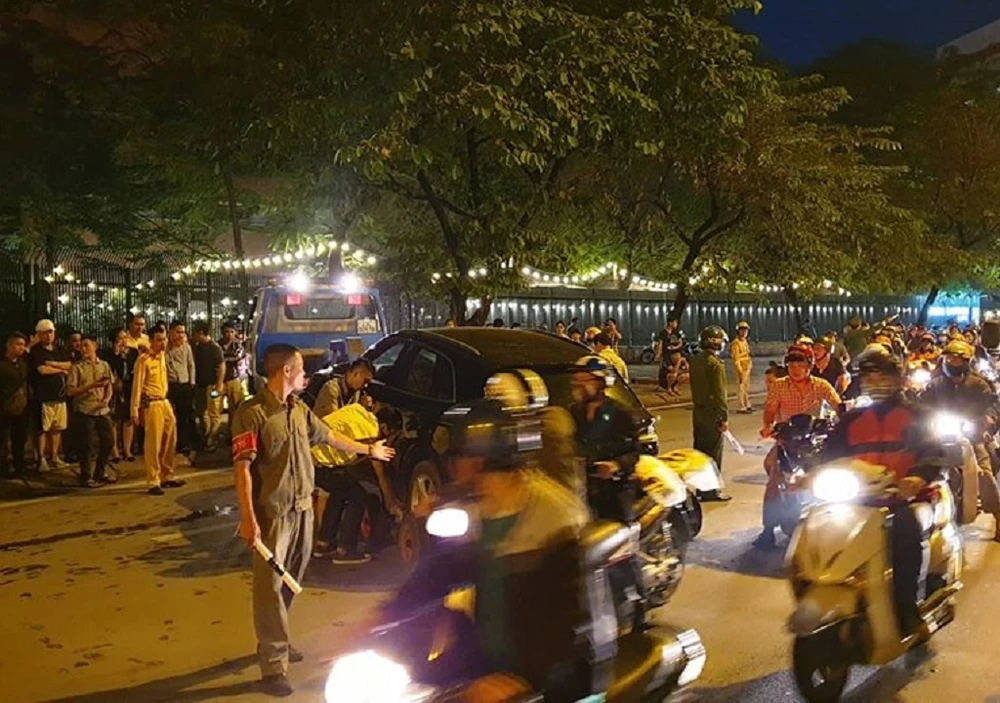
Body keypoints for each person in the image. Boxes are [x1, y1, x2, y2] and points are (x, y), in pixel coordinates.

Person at [382, 398, 593, 702]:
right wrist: (382, 618)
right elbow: (438, 574)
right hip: (486, 667)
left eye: (456, 459)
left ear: (477, 462)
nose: (452, 468)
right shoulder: (482, 508)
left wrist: (521, 680)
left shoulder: (555, 519)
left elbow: (564, 626)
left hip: (548, 682)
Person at [232, 343, 395, 697]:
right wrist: (248, 518)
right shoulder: (252, 413)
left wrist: (369, 449)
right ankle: (274, 665)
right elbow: (242, 468)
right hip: (273, 514)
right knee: (269, 589)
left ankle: (277, 639)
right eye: (301, 369)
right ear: (286, 371)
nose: (306, 375)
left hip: (303, 509)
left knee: (290, 582)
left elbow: (330, 436)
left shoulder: (299, 410)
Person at [820, 346, 944, 633]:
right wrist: (808, 475)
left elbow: (932, 452)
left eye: (882, 377)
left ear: (897, 379)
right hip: (857, 498)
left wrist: (916, 478)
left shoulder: (918, 415)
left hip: (903, 498)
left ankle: (906, 608)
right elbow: (828, 456)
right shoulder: (851, 420)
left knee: (905, 531)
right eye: (869, 378)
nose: (875, 383)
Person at [755, 344, 841, 548]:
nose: (795, 369)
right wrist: (768, 425)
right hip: (787, 443)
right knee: (774, 481)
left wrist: (847, 421)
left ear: (809, 365)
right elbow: (770, 409)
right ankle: (768, 530)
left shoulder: (821, 385)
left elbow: (838, 405)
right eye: (791, 364)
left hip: (816, 443)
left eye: (800, 364)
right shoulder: (779, 386)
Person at [922, 339, 1000, 540]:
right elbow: (922, 406)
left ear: (966, 361)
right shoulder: (936, 384)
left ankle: (998, 515)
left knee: (984, 472)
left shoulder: (979, 384)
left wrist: (988, 420)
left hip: (972, 436)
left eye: (957, 359)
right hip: (940, 438)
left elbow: (992, 405)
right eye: (949, 359)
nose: (952, 362)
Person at [312, 403, 404, 564]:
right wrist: (391, 501)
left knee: (340, 490)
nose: (389, 441)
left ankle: (324, 543)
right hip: (317, 461)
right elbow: (380, 472)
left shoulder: (358, 410)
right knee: (357, 494)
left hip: (307, 455)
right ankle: (345, 550)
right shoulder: (372, 433)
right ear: (384, 427)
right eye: (391, 435)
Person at [131, 326, 183, 495]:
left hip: (164, 401)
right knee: (153, 444)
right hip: (151, 403)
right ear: (151, 341)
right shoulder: (143, 360)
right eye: (159, 340)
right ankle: (153, 480)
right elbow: (137, 386)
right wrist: (135, 409)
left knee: (170, 440)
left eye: (164, 339)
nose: (163, 343)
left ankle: (167, 475)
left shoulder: (161, 357)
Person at [688, 326, 732, 502]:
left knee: (701, 452)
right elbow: (720, 394)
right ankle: (711, 491)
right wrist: (724, 417)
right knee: (713, 453)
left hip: (698, 411)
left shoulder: (695, 361)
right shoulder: (715, 364)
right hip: (713, 413)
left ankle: (700, 489)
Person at [67, 336, 115, 487]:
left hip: (102, 409)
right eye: (81, 346)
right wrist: (91, 386)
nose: (83, 349)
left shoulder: (104, 365)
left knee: (108, 441)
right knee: (86, 444)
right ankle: (86, 475)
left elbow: (109, 386)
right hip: (84, 409)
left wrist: (106, 399)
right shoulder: (77, 367)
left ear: (95, 346)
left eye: (86, 346)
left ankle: (100, 472)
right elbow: (71, 391)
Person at [28, 319, 72, 472]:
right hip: (43, 396)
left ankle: (54, 455)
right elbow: (42, 370)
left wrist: (53, 364)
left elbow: (70, 364)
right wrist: (61, 369)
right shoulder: (36, 352)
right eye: (45, 332)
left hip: (59, 396)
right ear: (39, 334)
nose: (49, 335)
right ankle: (41, 458)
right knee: (42, 429)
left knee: (57, 428)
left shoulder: (59, 349)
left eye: (51, 332)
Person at [102, 329, 138, 463]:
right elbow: (109, 370)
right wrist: (117, 354)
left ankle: (127, 450)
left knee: (128, 419)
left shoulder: (133, 352)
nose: (123, 341)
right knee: (114, 420)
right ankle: (115, 451)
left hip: (128, 386)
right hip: (114, 388)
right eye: (120, 338)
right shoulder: (108, 354)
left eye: (125, 338)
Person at [0, 332, 30, 478]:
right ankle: (3, 467)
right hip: (4, 408)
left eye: (23, 345)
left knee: (20, 439)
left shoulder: (22, 364)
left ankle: (20, 465)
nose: (21, 348)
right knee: (3, 440)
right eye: (18, 344)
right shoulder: (2, 365)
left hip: (21, 408)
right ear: (8, 345)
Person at [192, 322, 225, 451]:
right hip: (201, 386)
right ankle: (205, 437)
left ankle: (212, 439)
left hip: (212, 386)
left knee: (213, 413)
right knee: (202, 413)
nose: (194, 336)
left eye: (195, 334)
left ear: (201, 333)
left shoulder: (214, 348)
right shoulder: (198, 347)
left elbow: (221, 366)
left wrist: (219, 385)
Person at [165, 321, 196, 456]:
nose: (181, 335)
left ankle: (183, 443)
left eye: (183, 332)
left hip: (184, 384)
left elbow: (191, 364)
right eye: (178, 332)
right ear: (171, 332)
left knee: (185, 415)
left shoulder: (186, 347)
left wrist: (192, 382)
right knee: (170, 416)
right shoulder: (165, 347)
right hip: (170, 384)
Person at [654, 314, 685, 396]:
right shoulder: (663, 333)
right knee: (670, 371)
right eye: (675, 322)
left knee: (683, 373)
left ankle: (675, 386)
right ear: (670, 323)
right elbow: (660, 344)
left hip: (676, 356)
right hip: (667, 355)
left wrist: (675, 347)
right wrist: (658, 354)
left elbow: (680, 342)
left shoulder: (676, 332)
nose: (676, 324)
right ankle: (667, 387)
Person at [219, 322, 247, 414]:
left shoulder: (238, 345)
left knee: (235, 408)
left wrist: (223, 359)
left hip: (233, 379)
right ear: (222, 333)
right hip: (219, 381)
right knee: (216, 407)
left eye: (232, 332)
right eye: (227, 332)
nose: (229, 335)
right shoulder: (217, 345)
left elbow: (237, 357)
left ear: (235, 333)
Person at [730, 321, 753, 413]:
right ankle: (741, 406)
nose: (744, 332)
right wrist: (739, 370)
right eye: (742, 330)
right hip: (741, 367)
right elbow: (735, 358)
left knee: (746, 387)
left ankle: (747, 404)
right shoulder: (736, 343)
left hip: (747, 367)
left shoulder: (744, 341)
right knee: (741, 387)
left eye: (745, 330)